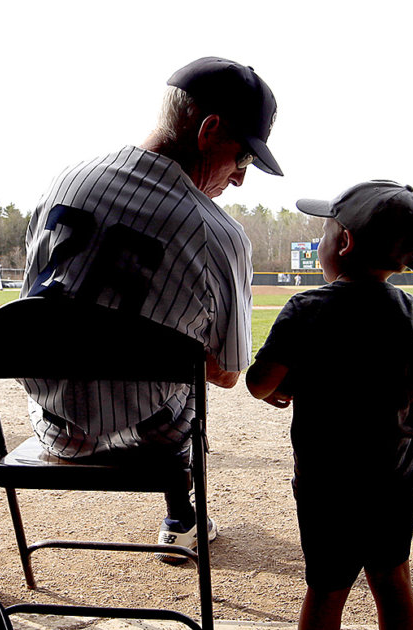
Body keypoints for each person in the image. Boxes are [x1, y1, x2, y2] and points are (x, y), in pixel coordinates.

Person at [19, 56, 282, 561]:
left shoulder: (65, 181)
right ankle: (181, 518)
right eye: (243, 158)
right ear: (209, 131)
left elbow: (29, 309)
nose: (240, 179)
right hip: (151, 439)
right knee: (188, 376)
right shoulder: (218, 233)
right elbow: (228, 374)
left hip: (55, 429)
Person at [245, 180, 413, 630]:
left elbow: (259, 381)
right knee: (392, 576)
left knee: (328, 584)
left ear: (345, 242)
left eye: (325, 232)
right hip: (394, 471)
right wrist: (411, 403)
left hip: (327, 477)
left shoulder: (307, 308)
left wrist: (279, 390)